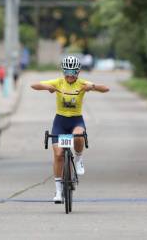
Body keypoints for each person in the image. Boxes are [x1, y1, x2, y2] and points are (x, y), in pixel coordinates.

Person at [31, 55, 109, 203]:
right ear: (63, 71)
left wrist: (91, 87)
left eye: (73, 72)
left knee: (79, 135)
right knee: (59, 154)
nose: (70, 76)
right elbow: (33, 85)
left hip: (76, 120)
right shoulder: (58, 82)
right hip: (60, 122)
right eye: (67, 72)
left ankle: (78, 158)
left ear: (78, 72)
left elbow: (106, 88)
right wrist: (46, 87)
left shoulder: (82, 84)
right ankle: (59, 191)